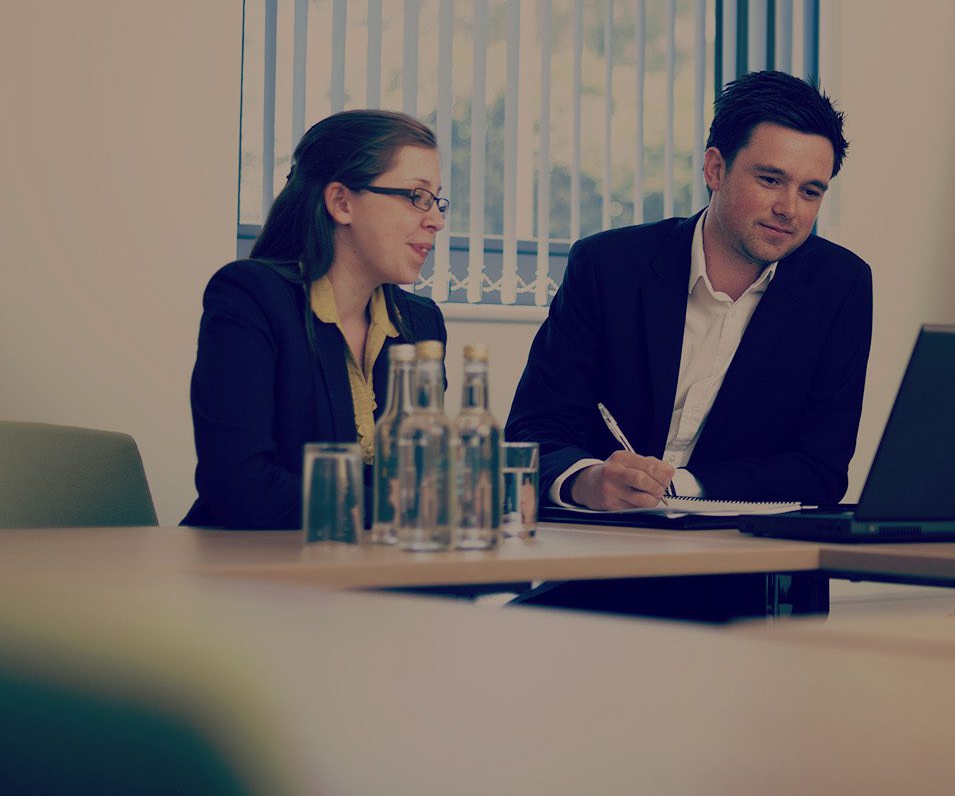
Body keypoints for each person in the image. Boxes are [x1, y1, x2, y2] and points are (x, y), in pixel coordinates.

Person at [503, 71, 871, 620]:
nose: (790, 209)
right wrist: (589, 482)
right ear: (715, 168)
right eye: (770, 180)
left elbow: (819, 468)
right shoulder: (608, 267)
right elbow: (534, 431)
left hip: (752, 582)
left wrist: (681, 487)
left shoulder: (840, 285)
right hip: (603, 568)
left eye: (810, 190)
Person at [183, 110, 448, 529]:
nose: (436, 219)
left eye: (436, 200)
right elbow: (241, 485)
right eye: (417, 196)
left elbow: (422, 482)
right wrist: (395, 510)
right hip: (253, 573)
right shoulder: (251, 297)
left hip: (376, 572)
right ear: (341, 202)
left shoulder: (420, 324)